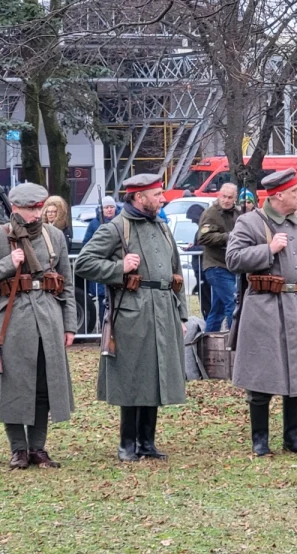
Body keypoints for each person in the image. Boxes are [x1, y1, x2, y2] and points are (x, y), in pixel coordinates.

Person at [75, 173, 188, 462]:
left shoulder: (162, 226)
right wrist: (119, 267)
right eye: (157, 194)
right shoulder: (116, 228)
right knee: (132, 376)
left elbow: (176, 273)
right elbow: (85, 263)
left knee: (156, 374)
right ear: (139, 197)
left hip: (164, 308)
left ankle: (147, 442)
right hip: (132, 312)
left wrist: (183, 314)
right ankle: (128, 444)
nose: (162, 198)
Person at [227, 168, 297, 456]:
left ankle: (293, 437)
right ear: (277, 196)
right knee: (262, 374)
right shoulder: (249, 222)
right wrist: (268, 249)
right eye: (295, 191)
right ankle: (260, 439)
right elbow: (233, 259)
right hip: (263, 306)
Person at [0, 183, 76, 470]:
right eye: (31, 209)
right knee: (14, 386)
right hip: (12, 319)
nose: (36, 214)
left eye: (39, 208)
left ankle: (38, 448)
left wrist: (70, 325)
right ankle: (18, 448)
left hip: (49, 317)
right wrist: (8, 262)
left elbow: (67, 281)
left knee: (44, 385)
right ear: (15, 208)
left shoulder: (54, 235)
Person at [197, 183, 239, 332]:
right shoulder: (211, 213)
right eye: (224, 196)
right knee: (233, 303)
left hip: (231, 265)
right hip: (215, 265)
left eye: (230, 197)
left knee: (218, 308)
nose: (226, 200)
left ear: (235, 198)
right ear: (219, 195)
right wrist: (228, 237)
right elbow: (202, 237)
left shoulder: (237, 213)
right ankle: (235, 341)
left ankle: (208, 342)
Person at [83, 196, 118, 328]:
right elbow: (86, 244)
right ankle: (104, 332)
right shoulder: (94, 224)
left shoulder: (121, 222)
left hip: (116, 267)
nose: (109, 210)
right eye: (106, 207)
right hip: (101, 269)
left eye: (111, 207)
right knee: (104, 302)